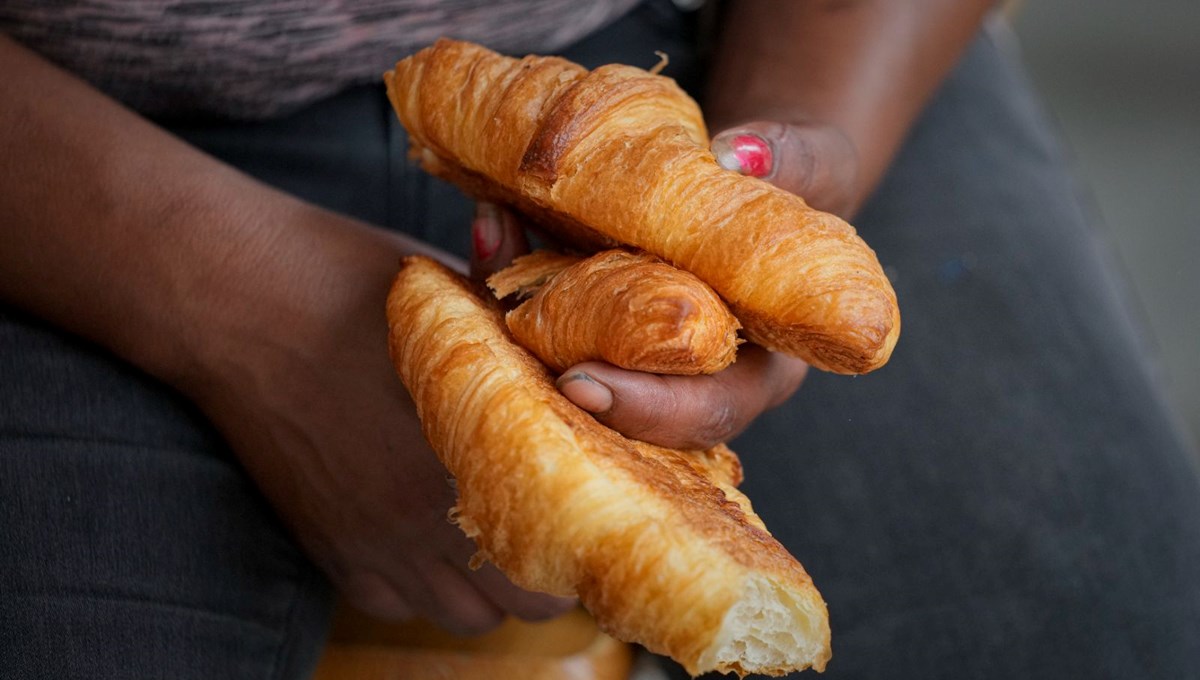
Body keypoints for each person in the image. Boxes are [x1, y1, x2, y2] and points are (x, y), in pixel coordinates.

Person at [2, 1, 1198, 678]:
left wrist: (767, 200)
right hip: (78, 147)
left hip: (738, 45)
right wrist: (240, 309)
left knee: (1106, 634)